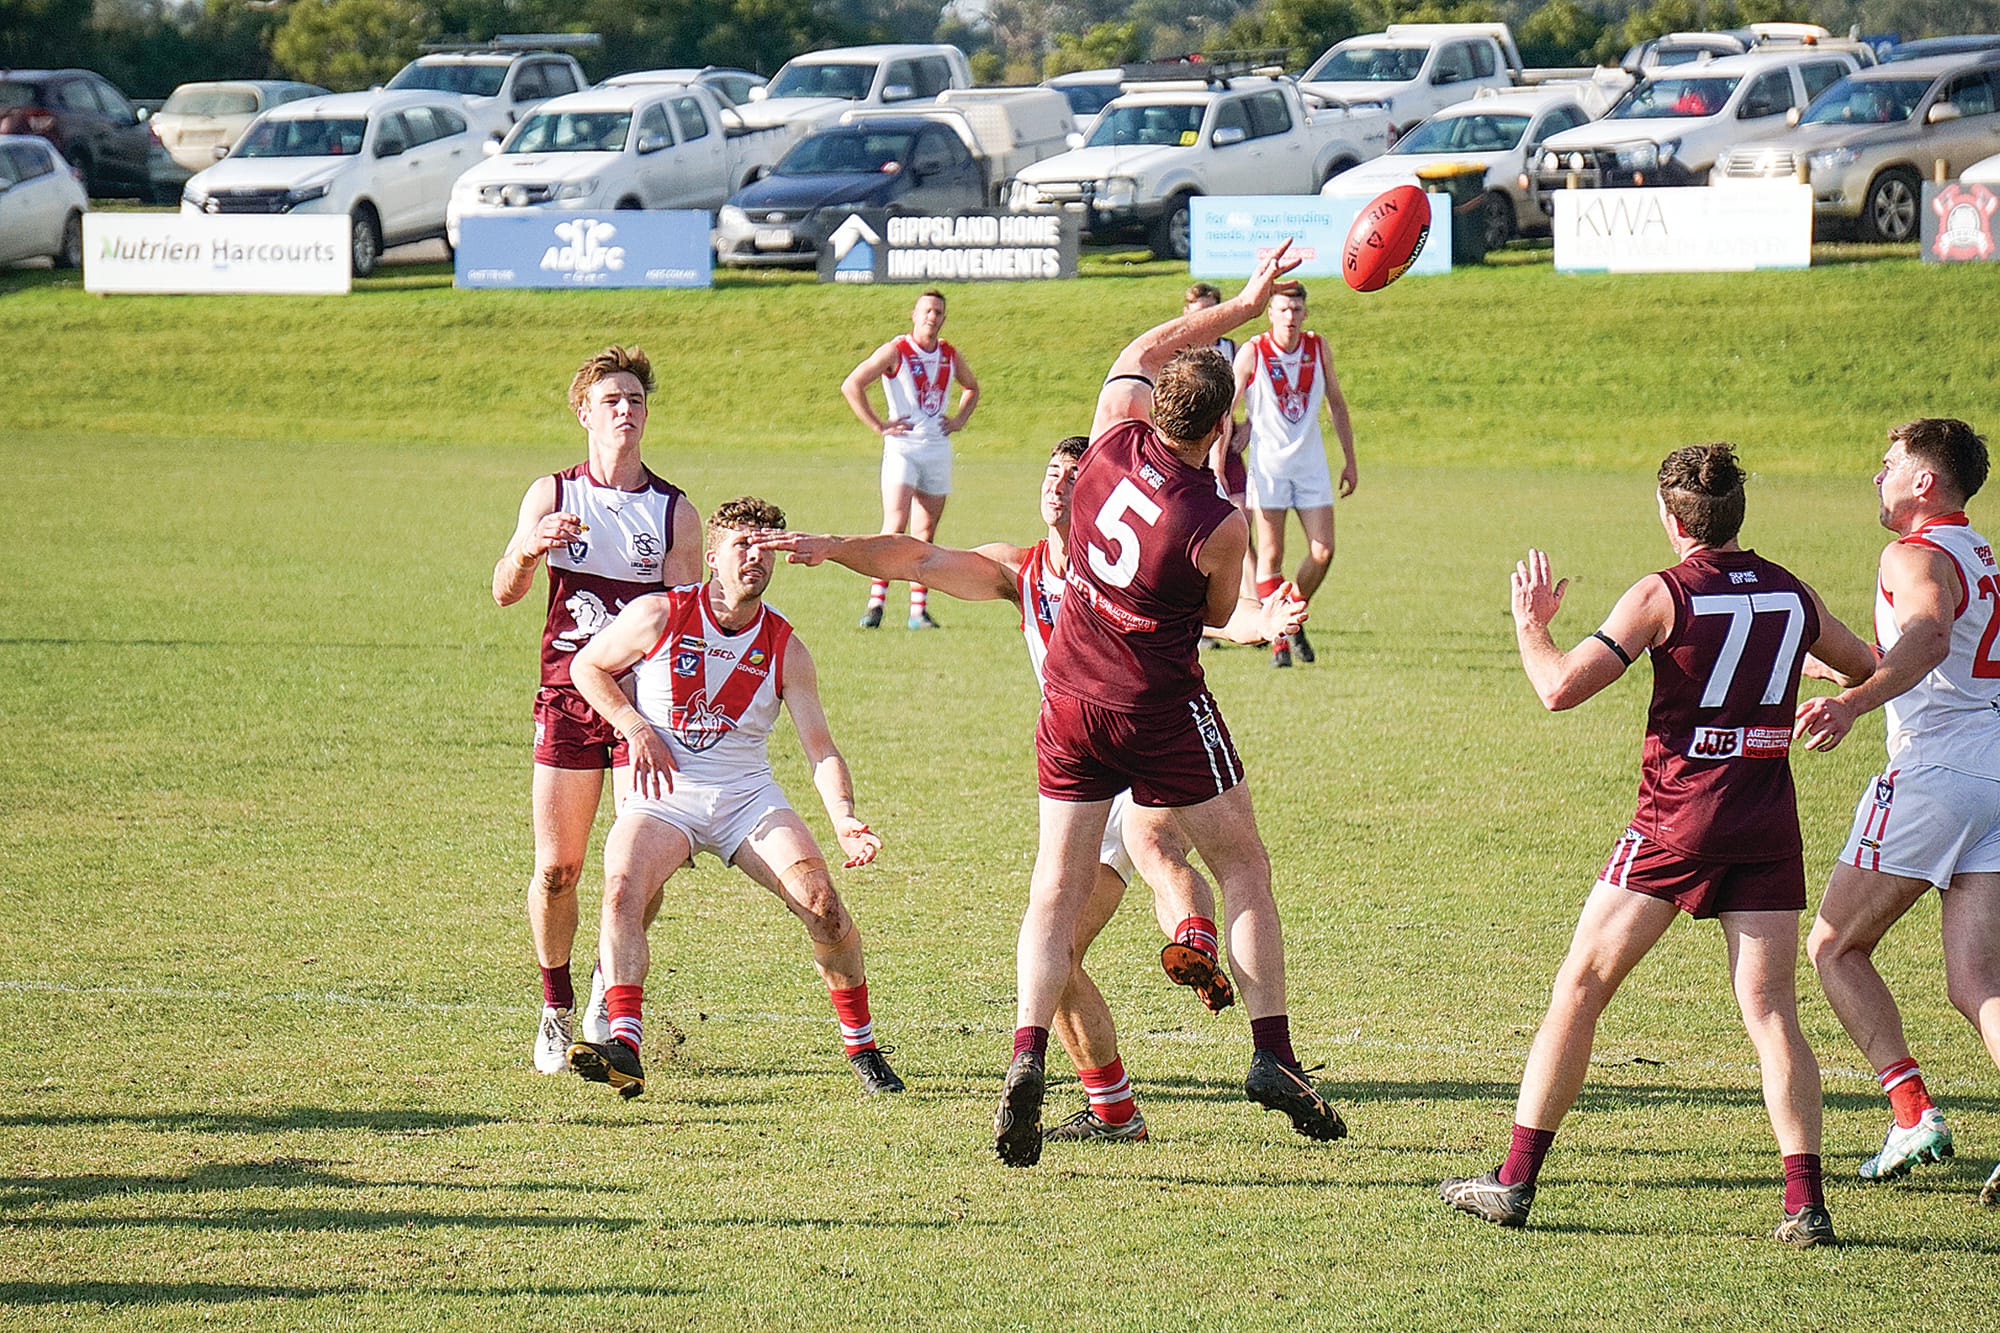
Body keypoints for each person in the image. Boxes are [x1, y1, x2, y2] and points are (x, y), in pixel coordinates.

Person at [1438, 443, 1877, 1247]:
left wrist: (1531, 625)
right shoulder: (1792, 592)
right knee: (1771, 1009)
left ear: (1672, 519)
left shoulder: (1662, 593)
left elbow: (1557, 687)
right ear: (1738, 512)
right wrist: (1806, 675)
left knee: (1580, 986)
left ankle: (1514, 1180)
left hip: (1676, 822)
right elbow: (1866, 667)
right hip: (1765, 823)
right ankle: (1806, 1204)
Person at [758, 436, 1241, 1145]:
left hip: (1130, 748)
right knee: (1088, 927)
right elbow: (917, 558)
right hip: (1089, 766)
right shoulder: (1023, 569)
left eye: (1073, 476)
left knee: (1140, 856)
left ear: (1101, 492)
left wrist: (1259, 620)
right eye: (1050, 472)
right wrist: (834, 547)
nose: (1057, 484)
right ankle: (1136, 1061)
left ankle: (1173, 979)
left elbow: (1217, 607)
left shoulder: (1138, 567)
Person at [994, 242, 1349, 1170]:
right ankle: (1272, 1054)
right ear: (1224, 425)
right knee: (1244, 866)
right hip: (1157, 707)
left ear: (1153, 403)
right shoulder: (1216, 520)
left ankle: (1028, 1051)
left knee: (1054, 888)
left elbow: (1144, 345)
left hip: (1070, 696)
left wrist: (1241, 304)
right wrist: (1263, 616)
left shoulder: (1109, 438)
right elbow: (1222, 612)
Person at [563, 496, 902, 1101]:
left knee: (823, 907)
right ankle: (625, 1045)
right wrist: (634, 726)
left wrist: (845, 818)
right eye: (743, 545)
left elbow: (820, 748)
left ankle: (863, 1048)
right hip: (664, 796)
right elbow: (588, 667)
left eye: (766, 547)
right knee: (621, 891)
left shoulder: (785, 646)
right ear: (713, 556)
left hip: (746, 797)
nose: (755, 558)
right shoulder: (660, 614)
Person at [1798, 419, 2000, 1205]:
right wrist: (1837, 669)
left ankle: (1912, 1113)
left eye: (1888, 465)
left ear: (1924, 481)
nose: (1876, 477)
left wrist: (1854, 703)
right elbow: (1943, 651)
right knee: (1976, 981)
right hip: (1992, 772)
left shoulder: (1911, 553)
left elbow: (1930, 636)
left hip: (1935, 774)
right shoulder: (1978, 552)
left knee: (1833, 945)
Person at [492, 346, 702, 1075]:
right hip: (566, 697)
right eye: (611, 400)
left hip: (643, 709)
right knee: (558, 868)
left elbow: (686, 625)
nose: (625, 410)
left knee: (637, 874)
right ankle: (555, 1007)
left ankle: (609, 989)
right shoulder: (552, 494)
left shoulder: (674, 511)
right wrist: (528, 548)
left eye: (635, 400)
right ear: (584, 412)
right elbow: (504, 590)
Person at [1231, 281, 1357, 667]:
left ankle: (1291, 614)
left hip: (1311, 465)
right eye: (1283, 310)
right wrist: (1218, 461)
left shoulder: (1317, 348)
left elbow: (1337, 403)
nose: (1290, 317)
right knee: (1271, 555)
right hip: (1269, 467)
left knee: (1323, 551)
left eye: (1297, 310)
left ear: (1305, 313)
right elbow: (1226, 408)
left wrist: (1350, 459)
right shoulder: (1253, 351)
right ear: (1270, 313)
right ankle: (1279, 643)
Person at [840, 288, 981, 631]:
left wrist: (959, 420)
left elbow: (972, 387)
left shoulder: (948, 354)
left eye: (938, 312)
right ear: (914, 315)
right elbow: (852, 384)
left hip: (937, 448)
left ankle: (918, 611)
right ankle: (876, 604)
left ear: (943, 318)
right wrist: (879, 425)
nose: (933, 317)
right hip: (903, 447)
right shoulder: (896, 350)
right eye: (927, 311)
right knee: (895, 525)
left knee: (925, 533)